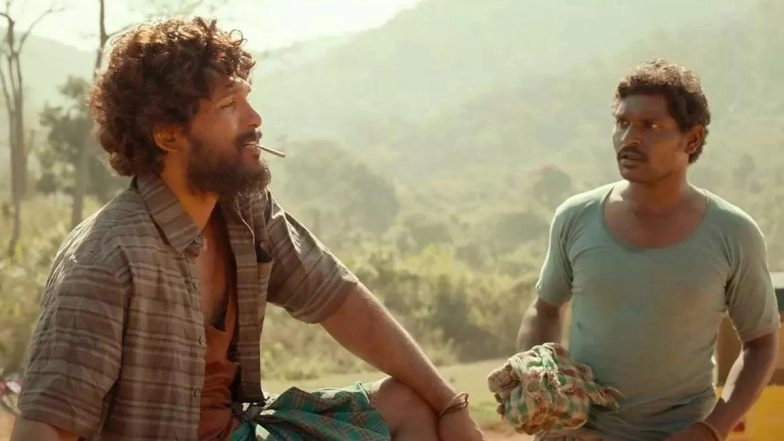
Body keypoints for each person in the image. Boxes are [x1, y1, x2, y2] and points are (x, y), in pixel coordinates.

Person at [10, 17, 485, 441]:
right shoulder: (105, 260)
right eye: (228, 105)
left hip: (238, 430)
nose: (255, 120)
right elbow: (46, 424)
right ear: (168, 136)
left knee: (411, 406)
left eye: (247, 99)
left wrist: (450, 404)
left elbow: (338, 298)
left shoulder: (243, 210)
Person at [516, 59, 780, 441]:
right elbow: (545, 310)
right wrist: (541, 389)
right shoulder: (575, 217)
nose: (629, 139)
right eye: (622, 123)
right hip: (580, 434)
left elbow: (761, 345)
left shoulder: (733, 233)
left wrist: (711, 429)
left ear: (691, 140)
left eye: (650, 126)